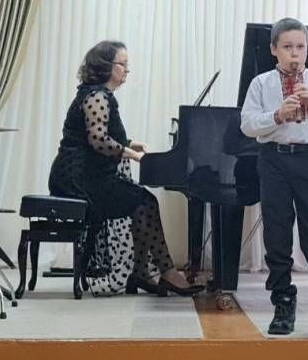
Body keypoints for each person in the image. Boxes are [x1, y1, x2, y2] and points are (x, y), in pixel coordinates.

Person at [48, 40, 203, 297]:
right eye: (122, 64)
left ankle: (143, 272)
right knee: (145, 201)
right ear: (105, 66)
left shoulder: (97, 95)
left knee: (142, 202)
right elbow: (98, 140)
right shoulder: (97, 96)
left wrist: (130, 144)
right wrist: (132, 154)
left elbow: (95, 135)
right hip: (78, 179)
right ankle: (164, 272)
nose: (127, 69)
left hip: (86, 174)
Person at [240, 17, 308, 336]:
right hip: (273, 159)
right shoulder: (261, 83)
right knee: (277, 235)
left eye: (300, 47)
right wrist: (276, 115)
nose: (295, 53)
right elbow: (247, 125)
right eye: (287, 47)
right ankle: (283, 305)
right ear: (274, 49)